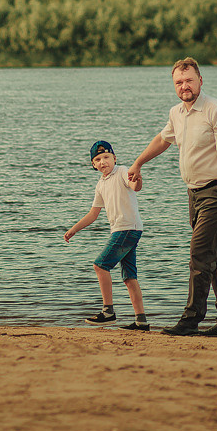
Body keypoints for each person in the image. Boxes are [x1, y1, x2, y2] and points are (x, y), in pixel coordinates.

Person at [129, 57, 217, 338]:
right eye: (179, 82)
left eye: (189, 80)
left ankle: (191, 319)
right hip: (195, 193)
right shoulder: (177, 113)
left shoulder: (216, 110)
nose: (185, 86)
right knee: (214, 254)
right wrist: (138, 163)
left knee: (199, 253)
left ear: (200, 81)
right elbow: (163, 139)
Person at [64, 140, 150, 331]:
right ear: (93, 165)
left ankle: (108, 312)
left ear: (114, 158)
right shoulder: (101, 184)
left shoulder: (122, 172)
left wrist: (138, 178)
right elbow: (93, 214)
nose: (103, 162)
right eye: (98, 159)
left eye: (106, 157)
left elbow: (135, 187)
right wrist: (74, 229)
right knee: (129, 277)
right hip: (124, 230)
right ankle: (141, 321)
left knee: (100, 265)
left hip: (127, 228)